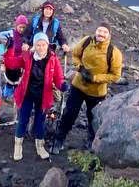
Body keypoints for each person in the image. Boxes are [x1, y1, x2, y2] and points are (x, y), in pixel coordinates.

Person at [49, 23, 123, 155]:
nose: (101, 34)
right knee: (69, 114)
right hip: (78, 86)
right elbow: (75, 55)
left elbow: (115, 76)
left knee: (93, 118)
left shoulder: (114, 52)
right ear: (96, 31)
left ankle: (92, 141)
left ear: (109, 35)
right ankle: (59, 139)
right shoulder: (87, 41)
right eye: (99, 30)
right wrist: (80, 68)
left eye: (104, 32)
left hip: (97, 93)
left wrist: (94, 78)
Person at [8, 32, 64, 161]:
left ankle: (40, 146)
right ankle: (18, 145)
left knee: (40, 121)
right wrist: (12, 48)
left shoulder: (53, 59)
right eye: (38, 45)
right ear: (34, 46)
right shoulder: (28, 57)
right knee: (23, 119)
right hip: (26, 94)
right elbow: (12, 63)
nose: (41, 47)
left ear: (47, 45)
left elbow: (58, 77)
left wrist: (62, 85)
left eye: (43, 44)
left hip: (43, 95)